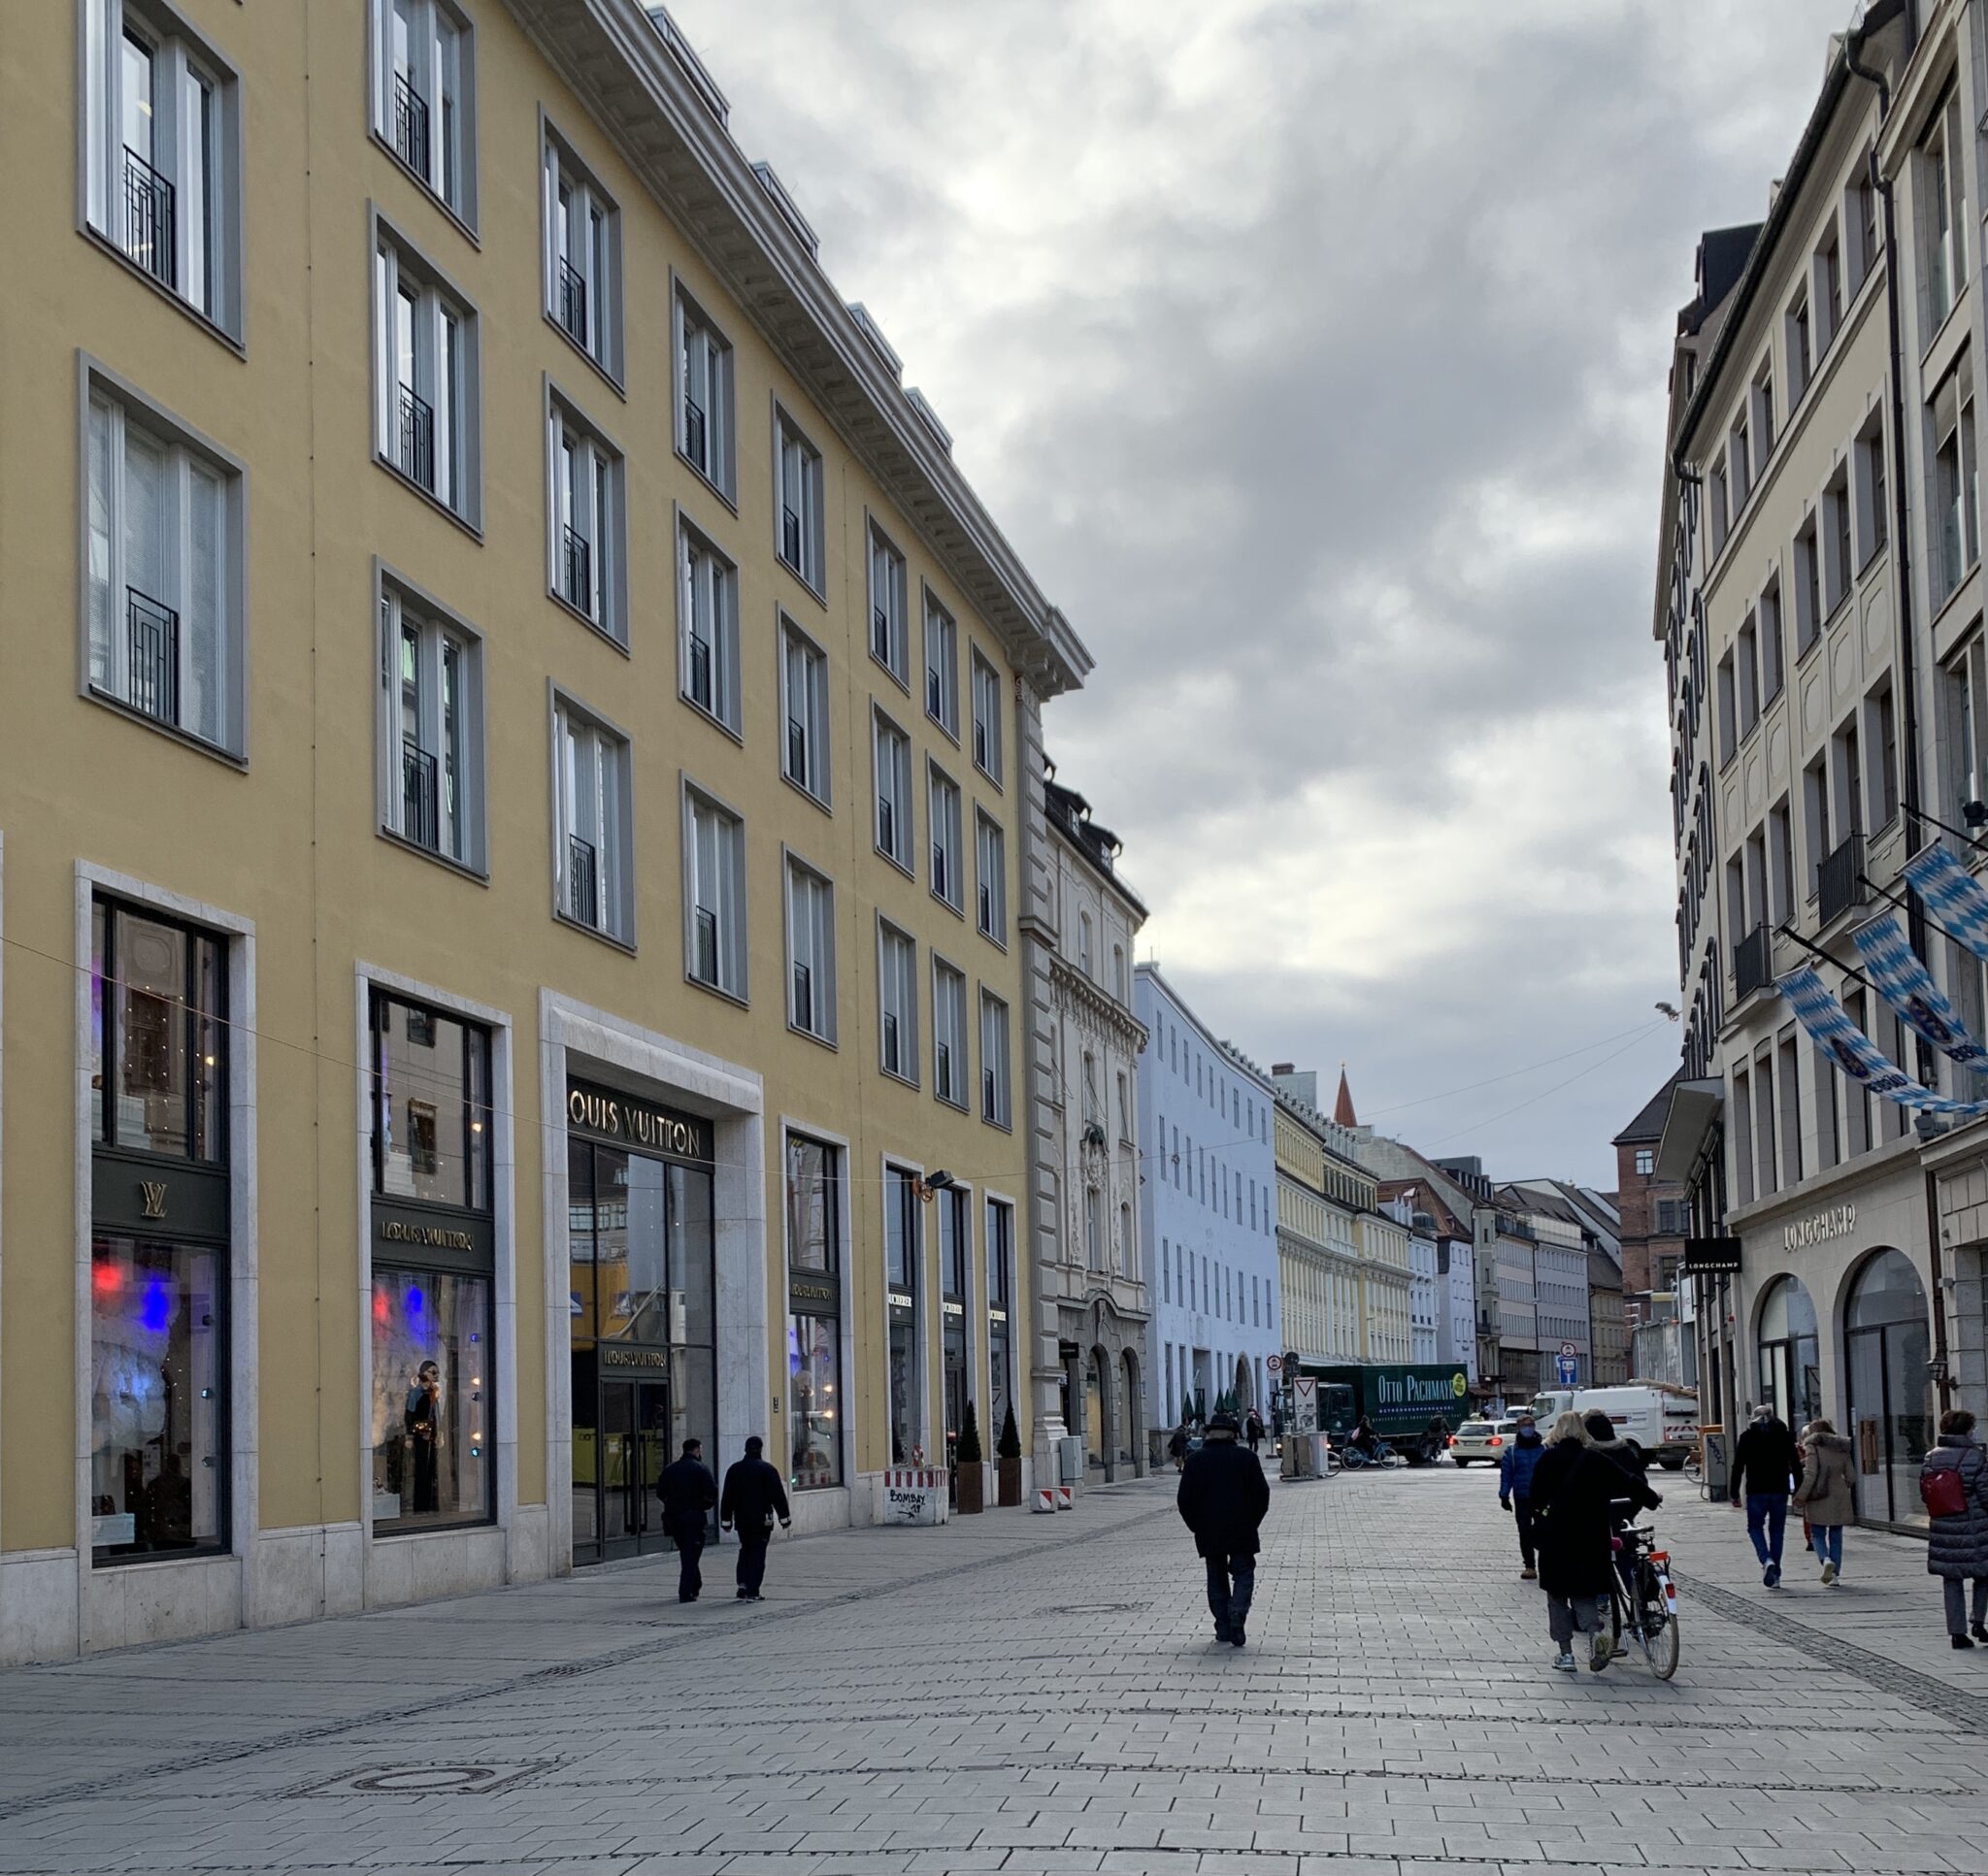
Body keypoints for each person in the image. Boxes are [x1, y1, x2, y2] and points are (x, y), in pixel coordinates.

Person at [1538, 1409, 1661, 1673]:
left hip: (1556, 1539)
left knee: (1557, 1596)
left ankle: (1566, 1656)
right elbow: (1629, 1481)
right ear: (1583, 1431)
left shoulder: (1547, 1459)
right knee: (1584, 1594)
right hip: (1591, 1537)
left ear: (1557, 1431)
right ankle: (1596, 1637)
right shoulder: (1595, 1459)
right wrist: (1652, 1499)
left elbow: (1534, 1500)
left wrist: (1536, 1530)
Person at [1176, 1409, 1271, 1647]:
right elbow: (1262, 1495)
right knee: (1244, 1572)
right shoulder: (1247, 1458)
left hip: (1209, 1530)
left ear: (1209, 1435)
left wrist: (1196, 1526)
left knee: (1216, 1576)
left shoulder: (1195, 1460)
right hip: (1242, 1527)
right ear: (1232, 1434)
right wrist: (1253, 1521)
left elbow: (1184, 1500)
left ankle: (1223, 1626)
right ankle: (1237, 1611)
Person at [1922, 1407, 1988, 1648]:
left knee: (1951, 1579)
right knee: (1984, 1573)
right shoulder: (1976, 1456)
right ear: (1968, 1430)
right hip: (1975, 1526)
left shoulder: (1931, 1456)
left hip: (1944, 1524)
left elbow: (1925, 1492)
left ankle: (1957, 1633)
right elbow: (1984, 1493)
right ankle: (1979, 1620)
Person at [1729, 1402, 1799, 1586]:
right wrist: (1798, 1490)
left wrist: (1734, 1492)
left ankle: (1766, 1559)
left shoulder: (1747, 1437)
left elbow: (1738, 1466)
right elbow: (1796, 1463)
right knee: (1777, 1531)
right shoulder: (1784, 1435)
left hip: (1756, 1490)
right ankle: (1776, 1576)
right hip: (1779, 1489)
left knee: (1755, 1528)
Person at [719, 1434, 791, 1601]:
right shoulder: (767, 1469)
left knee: (745, 1549)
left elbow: (727, 1497)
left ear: (745, 1449)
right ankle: (753, 1590)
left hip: (742, 1519)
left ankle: (742, 1584)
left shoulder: (734, 1469)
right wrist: (785, 1519)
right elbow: (778, 1496)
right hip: (762, 1519)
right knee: (758, 1553)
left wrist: (726, 1521)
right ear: (761, 1449)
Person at [1792, 1419, 1855, 1587]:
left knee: (1817, 1533)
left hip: (1819, 1495)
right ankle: (1834, 1574)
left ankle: (1825, 1559)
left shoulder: (1812, 1447)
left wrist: (1800, 1496)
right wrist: (1842, 1485)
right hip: (1839, 1494)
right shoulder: (1842, 1447)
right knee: (1836, 1534)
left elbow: (1811, 1474)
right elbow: (1851, 1476)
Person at [655, 1435, 718, 1602]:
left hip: (674, 1518)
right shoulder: (701, 1469)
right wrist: (703, 1505)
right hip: (693, 1516)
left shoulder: (670, 1469)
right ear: (697, 1450)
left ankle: (694, 1585)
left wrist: (671, 1503)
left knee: (687, 1552)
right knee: (691, 1553)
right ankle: (686, 1591)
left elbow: (660, 1492)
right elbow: (712, 1492)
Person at [1497, 1409, 1546, 1581]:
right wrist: (1504, 1495)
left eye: (1530, 1425)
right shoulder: (1512, 1451)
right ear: (1518, 1428)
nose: (1528, 1428)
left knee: (1543, 1530)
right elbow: (1506, 1474)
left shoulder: (1544, 1448)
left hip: (1542, 1498)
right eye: (1524, 1426)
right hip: (1522, 1497)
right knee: (1524, 1531)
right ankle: (1530, 1566)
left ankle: (1545, 1563)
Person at [405, 1362, 441, 1515]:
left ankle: (429, 1503)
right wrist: (410, 1436)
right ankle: (419, 1505)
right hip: (420, 1434)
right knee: (420, 1468)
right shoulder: (416, 1393)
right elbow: (410, 1415)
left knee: (431, 1468)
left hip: (430, 1434)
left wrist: (439, 1433)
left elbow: (436, 1414)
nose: (436, 1375)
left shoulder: (433, 1392)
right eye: (433, 1372)